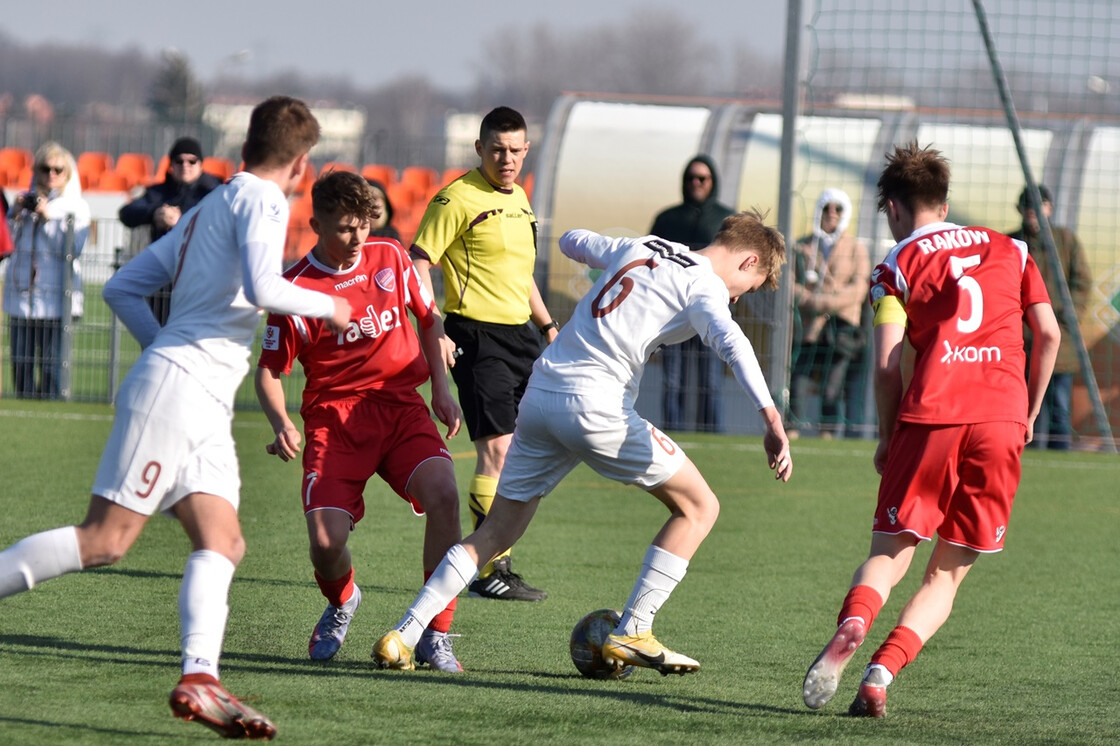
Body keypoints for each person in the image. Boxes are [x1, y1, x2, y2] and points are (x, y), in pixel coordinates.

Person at [0, 95, 351, 740]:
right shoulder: (262, 200)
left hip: (200, 398)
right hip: (182, 389)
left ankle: (200, 677)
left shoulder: (210, 206)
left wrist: (164, 345)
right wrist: (330, 307)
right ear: (302, 164)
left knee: (222, 541)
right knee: (106, 540)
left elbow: (121, 287)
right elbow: (267, 288)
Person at [372, 211, 794, 675]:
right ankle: (636, 627)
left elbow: (573, 240)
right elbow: (732, 342)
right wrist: (770, 416)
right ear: (749, 260)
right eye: (747, 288)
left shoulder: (643, 245)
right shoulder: (706, 284)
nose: (736, 298)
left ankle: (404, 634)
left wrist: (603, 254)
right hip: (597, 408)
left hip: (542, 395)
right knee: (700, 507)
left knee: (496, 532)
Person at [801, 143, 1060, 718]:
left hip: (931, 416)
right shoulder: (1012, 250)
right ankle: (880, 673)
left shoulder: (895, 265)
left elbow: (888, 364)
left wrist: (889, 436)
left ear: (892, 208)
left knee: (890, 554)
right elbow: (1048, 335)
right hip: (1000, 419)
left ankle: (853, 625)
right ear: (942, 203)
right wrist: (1029, 411)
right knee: (946, 575)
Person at [255, 171, 464, 671]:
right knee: (326, 545)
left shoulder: (391, 255)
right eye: (345, 228)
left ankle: (436, 633)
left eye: (364, 226)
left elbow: (430, 320)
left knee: (445, 495)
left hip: (399, 407)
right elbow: (268, 371)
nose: (356, 240)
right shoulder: (294, 288)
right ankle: (343, 600)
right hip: (335, 422)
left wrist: (440, 387)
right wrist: (281, 420)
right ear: (316, 223)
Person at [408, 105, 557, 602]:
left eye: (515, 150)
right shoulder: (456, 198)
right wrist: (435, 329)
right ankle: (490, 570)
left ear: (526, 150)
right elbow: (417, 264)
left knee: (519, 455)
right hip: (477, 337)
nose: (507, 159)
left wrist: (549, 326)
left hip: (522, 340)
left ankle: (495, 562)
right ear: (479, 149)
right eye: (497, 149)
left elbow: (521, 276)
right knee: (497, 451)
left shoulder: (521, 200)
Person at [650, 155, 735, 432]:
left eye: (702, 179)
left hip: (709, 310)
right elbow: (651, 264)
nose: (696, 184)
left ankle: (713, 434)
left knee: (710, 379)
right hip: (673, 310)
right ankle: (672, 432)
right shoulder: (667, 219)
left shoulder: (726, 219)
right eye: (691, 178)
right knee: (672, 379)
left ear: (713, 182)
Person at [1007, 185, 1093, 450]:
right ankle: (1022, 459)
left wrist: (1066, 319)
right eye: (1028, 206)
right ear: (1020, 209)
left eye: (1039, 205)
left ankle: (1061, 462)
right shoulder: (1010, 244)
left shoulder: (1066, 242)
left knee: (1059, 411)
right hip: (1019, 343)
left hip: (1060, 346)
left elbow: (1083, 285)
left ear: (1050, 208)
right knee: (1020, 411)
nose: (1033, 211)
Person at [3, 141, 90, 399]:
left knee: (53, 367)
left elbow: (72, 250)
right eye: (45, 168)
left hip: (56, 298)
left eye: (58, 170)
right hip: (21, 295)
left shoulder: (76, 206)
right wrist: (15, 214)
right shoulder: (24, 202)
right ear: (35, 171)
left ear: (67, 174)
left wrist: (48, 218)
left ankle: (53, 408)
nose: (51, 175)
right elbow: (6, 244)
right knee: (21, 364)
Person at [789, 188, 871, 439]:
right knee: (799, 379)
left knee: (833, 385)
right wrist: (814, 301)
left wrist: (824, 301)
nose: (832, 214)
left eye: (838, 209)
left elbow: (859, 287)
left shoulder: (856, 247)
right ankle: (791, 429)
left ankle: (828, 434)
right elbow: (789, 285)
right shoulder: (802, 245)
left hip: (842, 327)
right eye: (827, 208)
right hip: (810, 326)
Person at [119, 137, 222, 325]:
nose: (185, 166)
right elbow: (126, 214)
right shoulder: (158, 192)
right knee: (157, 339)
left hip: (201, 279)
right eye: (179, 161)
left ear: (201, 164)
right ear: (171, 164)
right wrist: (155, 214)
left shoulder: (214, 192)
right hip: (163, 281)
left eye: (192, 161)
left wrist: (182, 222)